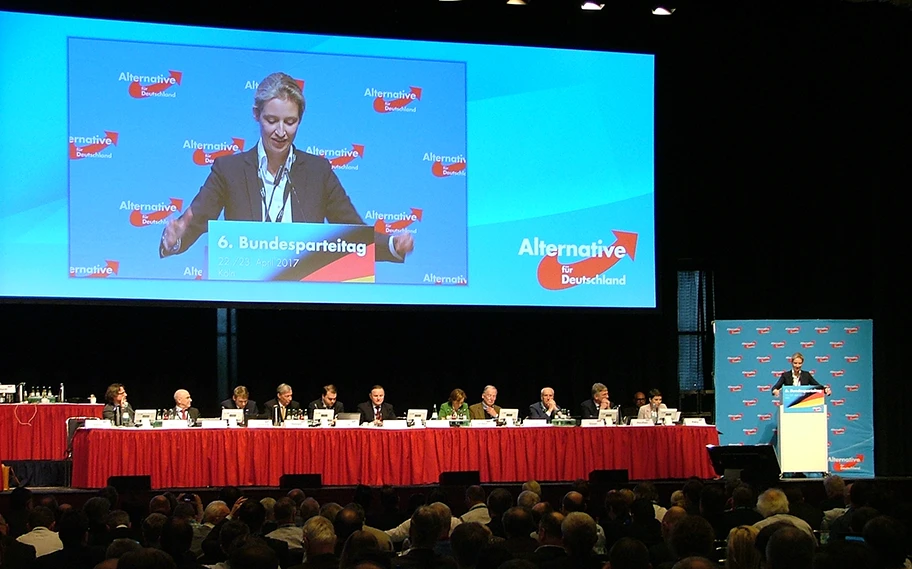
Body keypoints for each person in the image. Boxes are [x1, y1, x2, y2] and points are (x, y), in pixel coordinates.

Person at [159, 72, 414, 263]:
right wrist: (174, 239)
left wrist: (392, 244)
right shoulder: (229, 170)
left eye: (290, 122)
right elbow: (194, 221)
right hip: (245, 298)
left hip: (305, 298)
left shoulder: (318, 171)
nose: (281, 132)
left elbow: (354, 233)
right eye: (272, 120)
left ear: (299, 121)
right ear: (256, 115)